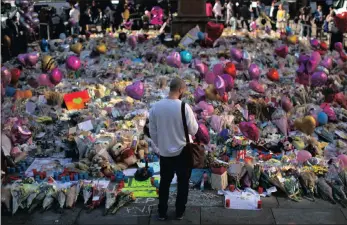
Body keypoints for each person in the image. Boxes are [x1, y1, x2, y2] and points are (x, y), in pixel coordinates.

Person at [149, 78, 198, 221]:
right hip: (183, 151)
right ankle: (179, 212)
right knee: (183, 183)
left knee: (165, 182)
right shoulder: (184, 107)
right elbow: (194, 130)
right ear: (181, 90)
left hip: (165, 153)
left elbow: (153, 132)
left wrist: (162, 144)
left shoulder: (156, 107)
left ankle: (162, 212)